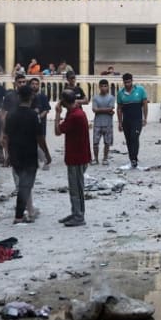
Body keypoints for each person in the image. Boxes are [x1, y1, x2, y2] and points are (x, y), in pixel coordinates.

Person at [2, 84, 42, 223]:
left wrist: (7, 155)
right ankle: (19, 216)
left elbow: (6, 136)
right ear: (31, 96)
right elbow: (39, 137)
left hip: (15, 153)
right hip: (29, 154)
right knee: (25, 185)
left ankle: (27, 211)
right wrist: (46, 154)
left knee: (23, 185)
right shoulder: (33, 115)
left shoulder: (11, 115)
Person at [54, 89, 91, 227]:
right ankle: (77, 212)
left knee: (75, 188)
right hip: (81, 155)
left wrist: (57, 113)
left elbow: (57, 131)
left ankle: (78, 216)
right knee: (78, 187)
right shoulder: (77, 112)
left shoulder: (74, 116)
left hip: (76, 157)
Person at [116, 72, 148, 169]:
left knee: (134, 138)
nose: (127, 84)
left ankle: (134, 159)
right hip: (126, 120)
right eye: (125, 82)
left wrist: (145, 118)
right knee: (129, 140)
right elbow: (119, 108)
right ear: (123, 82)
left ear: (132, 81)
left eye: (129, 82)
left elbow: (145, 105)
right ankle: (132, 159)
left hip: (137, 119)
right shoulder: (120, 93)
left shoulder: (140, 90)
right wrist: (120, 122)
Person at [26, 76, 53, 168]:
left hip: (41, 122)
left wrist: (38, 117)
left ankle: (43, 159)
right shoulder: (27, 97)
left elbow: (46, 109)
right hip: (29, 122)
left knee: (41, 140)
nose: (34, 86)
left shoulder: (42, 96)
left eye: (36, 84)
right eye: (32, 84)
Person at [91, 78, 115, 165]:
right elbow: (94, 109)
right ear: (99, 87)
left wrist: (100, 109)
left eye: (105, 86)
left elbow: (111, 108)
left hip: (108, 123)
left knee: (107, 142)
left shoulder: (111, 97)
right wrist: (108, 110)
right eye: (102, 86)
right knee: (95, 143)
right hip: (97, 123)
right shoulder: (95, 98)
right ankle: (96, 159)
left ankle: (105, 158)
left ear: (108, 87)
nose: (104, 88)